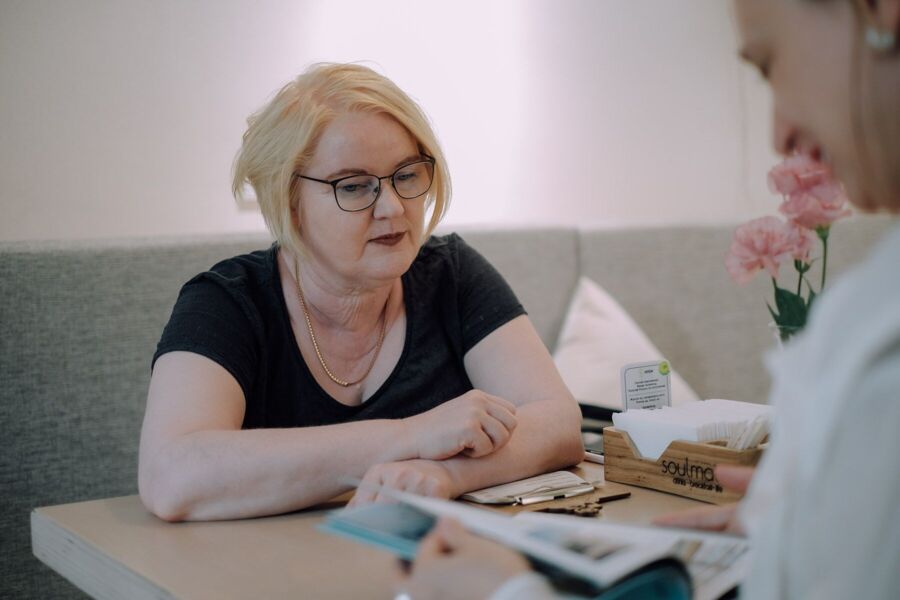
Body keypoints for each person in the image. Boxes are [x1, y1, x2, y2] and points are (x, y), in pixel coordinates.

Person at [400, 0, 900, 598]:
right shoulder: (874, 304)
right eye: (351, 186)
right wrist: (802, 536)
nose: (779, 135)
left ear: (879, 11)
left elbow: (558, 423)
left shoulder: (882, 347)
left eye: (770, 64)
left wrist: (505, 592)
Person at [137, 63, 584, 522]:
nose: (392, 208)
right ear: (288, 200)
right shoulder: (226, 302)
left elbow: (557, 421)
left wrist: (447, 474)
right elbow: (172, 475)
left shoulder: (451, 274)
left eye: (406, 176)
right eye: (353, 187)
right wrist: (412, 436)